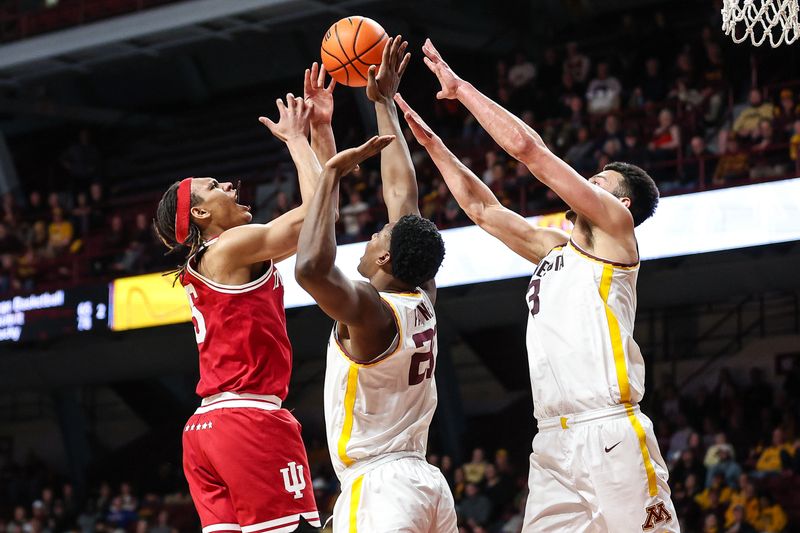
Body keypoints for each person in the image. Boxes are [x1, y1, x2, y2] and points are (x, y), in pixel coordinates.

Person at [395, 38, 679, 532]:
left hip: (608, 428)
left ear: (623, 204)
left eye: (600, 182)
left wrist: (461, 90)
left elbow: (529, 149)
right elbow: (484, 211)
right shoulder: (554, 250)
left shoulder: (616, 233)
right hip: (551, 439)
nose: (589, 184)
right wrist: (434, 147)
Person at [152, 77, 335, 533]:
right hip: (248, 418)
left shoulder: (225, 256)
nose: (230, 186)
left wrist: (321, 130)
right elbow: (320, 214)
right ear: (200, 213)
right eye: (216, 187)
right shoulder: (229, 247)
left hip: (206, 430)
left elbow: (322, 209)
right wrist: (296, 139)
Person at [294, 36, 454, 532]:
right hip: (426, 483)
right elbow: (403, 195)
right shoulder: (420, 295)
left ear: (385, 256)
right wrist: (383, 104)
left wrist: (331, 175)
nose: (370, 236)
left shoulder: (372, 313)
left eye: (377, 234)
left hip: (381, 486)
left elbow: (310, 269)